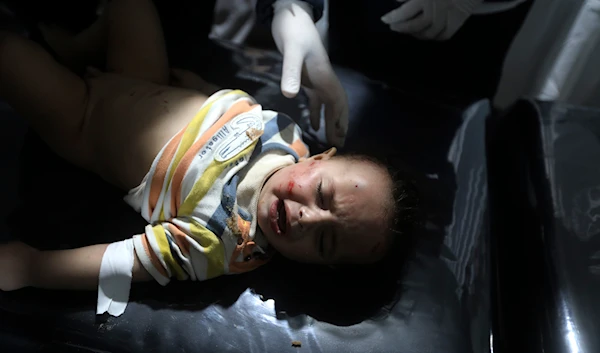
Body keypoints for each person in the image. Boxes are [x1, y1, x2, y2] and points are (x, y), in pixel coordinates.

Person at [0, 0, 418, 317]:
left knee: (10, 55)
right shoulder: (290, 140)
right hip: (147, 77)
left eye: (324, 242)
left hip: (86, 121)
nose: (310, 219)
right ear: (319, 159)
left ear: (316, 266)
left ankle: (69, 54)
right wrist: (199, 86)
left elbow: (127, 261)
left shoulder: (222, 243)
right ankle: (78, 49)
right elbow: (237, 108)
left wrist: (36, 267)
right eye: (323, 195)